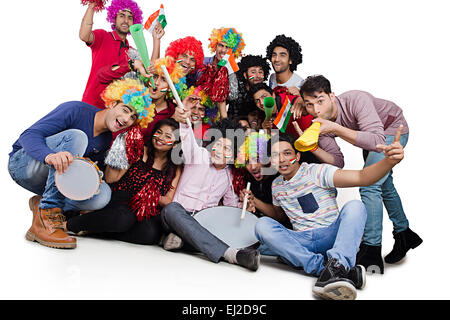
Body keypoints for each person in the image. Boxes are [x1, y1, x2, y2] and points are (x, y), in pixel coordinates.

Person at [253, 129, 405, 300]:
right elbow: (279, 217)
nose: (281, 159)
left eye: (287, 153)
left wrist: (389, 161)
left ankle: (338, 263)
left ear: (297, 155)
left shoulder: (317, 172)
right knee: (262, 225)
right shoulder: (276, 186)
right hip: (302, 241)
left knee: (355, 206)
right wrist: (254, 201)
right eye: (275, 155)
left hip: (330, 235)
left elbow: (363, 177)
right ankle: (329, 269)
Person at [296, 74, 422, 274]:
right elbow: (337, 162)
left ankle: (371, 249)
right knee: (384, 184)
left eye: (320, 101)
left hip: (391, 129)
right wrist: (313, 148)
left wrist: (336, 128)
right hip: (368, 137)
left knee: (370, 184)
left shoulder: (356, 99)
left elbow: (377, 139)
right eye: (309, 105)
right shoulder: (320, 123)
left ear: (332, 96)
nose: (316, 110)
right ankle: (404, 234)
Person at [8, 77, 153, 249]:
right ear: (113, 103)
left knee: (102, 195)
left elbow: (79, 172)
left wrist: (94, 176)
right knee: (77, 137)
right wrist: (49, 156)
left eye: (133, 117)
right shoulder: (75, 110)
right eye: (125, 109)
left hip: (50, 182)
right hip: (23, 165)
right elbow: (28, 136)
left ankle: (43, 206)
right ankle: (48, 212)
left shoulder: (106, 140)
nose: (126, 119)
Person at [161, 96, 260, 271]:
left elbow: (231, 210)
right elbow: (188, 139)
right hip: (177, 217)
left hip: (204, 225)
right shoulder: (198, 155)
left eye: (226, 148)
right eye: (217, 145)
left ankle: (181, 241)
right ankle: (233, 255)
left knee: (218, 228)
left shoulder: (229, 177)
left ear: (234, 155)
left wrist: (246, 205)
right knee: (171, 209)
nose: (219, 151)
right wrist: (184, 122)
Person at [64, 118, 182, 245]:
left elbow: (168, 199)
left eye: (168, 136)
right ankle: (68, 225)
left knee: (149, 234)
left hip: (146, 209)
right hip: (121, 201)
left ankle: (94, 229)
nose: (161, 138)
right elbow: (113, 179)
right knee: (124, 219)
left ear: (175, 144)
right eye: (159, 132)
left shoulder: (175, 167)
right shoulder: (140, 150)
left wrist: (150, 196)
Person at [79, 0, 164, 109]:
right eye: (122, 15)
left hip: (116, 112)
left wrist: (156, 39)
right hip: (91, 104)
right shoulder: (103, 36)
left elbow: (150, 69)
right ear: (114, 17)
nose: (126, 21)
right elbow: (84, 36)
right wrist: (92, 6)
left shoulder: (132, 52)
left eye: (130, 17)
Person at [250, 83, 343, 168]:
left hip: (318, 138)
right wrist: (267, 130)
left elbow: (303, 101)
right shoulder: (264, 119)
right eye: (257, 101)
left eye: (264, 97)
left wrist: (301, 99)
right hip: (298, 151)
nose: (261, 103)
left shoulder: (288, 100)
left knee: (330, 169)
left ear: (273, 95)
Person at [199, 27, 246, 119]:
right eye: (221, 45)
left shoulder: (232, 70)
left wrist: (229, 73)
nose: (223, 50)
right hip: (197, 109)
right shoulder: (203, 62)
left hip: (216, 115)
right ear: (215, 46)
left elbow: (233, 96)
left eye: (227, 47)